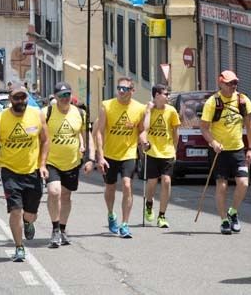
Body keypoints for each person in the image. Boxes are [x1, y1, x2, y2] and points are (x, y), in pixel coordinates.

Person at [0, 83, 49, 262]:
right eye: (16, 98)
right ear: (10, 99)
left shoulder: (37, 115)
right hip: (10, 172)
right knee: (15, 211)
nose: (20, 101)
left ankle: (28, 222)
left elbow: (45, 140)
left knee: (30, 214)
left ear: (27, 98)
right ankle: (19, 247)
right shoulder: (1, 119)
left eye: (23, 97)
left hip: (32, 171)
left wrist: (43, 164)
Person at [200, 70, 251, 235]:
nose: (233, 86)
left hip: (237, 149)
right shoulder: (213, 102)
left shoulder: (242, 100)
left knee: (243, 183)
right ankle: (224, 220)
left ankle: (233, 212)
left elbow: (250, 126)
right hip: (219, 151)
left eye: (235, 83)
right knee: (222, 186)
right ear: (221, 83)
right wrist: (213, 143)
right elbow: (204, 127)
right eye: (230, 83)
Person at [94, 76, 150, 239]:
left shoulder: (139, 108)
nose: (121, 91)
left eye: (125, 89)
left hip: (128, 153)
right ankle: (111, 214)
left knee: (127, 184)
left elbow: (141, 130)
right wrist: (100, 156)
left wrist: (144, 142)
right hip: (109, 154)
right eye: (119, 88)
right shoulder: (107, 105)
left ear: (132, 91)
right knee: (110, 187)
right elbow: (99, 132)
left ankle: (125, 224)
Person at [42, 82, 94, 247]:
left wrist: (90, 158)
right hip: (51, 161)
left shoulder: (80, 113)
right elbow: (38, 136)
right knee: (54, 192)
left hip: (72, 162)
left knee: (66, 196)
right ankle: (55, 229)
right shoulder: (46, 112)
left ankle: (62, 230)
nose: (65, 98)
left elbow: (87, 136)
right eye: (61, 96)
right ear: (55, 97)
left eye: (68, 95)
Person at [143, 84, 180, 228]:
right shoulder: (149, 109)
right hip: (152, 151)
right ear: (157, 95)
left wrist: (175, 150)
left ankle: (162, 215)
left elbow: (175, 132)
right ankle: (149, 203)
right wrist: (148, 111)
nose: (168, 96)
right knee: (152, 182)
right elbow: (144, 128)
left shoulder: (171, 111)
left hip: (167, 151)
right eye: (166, 94)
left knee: (166, 181)